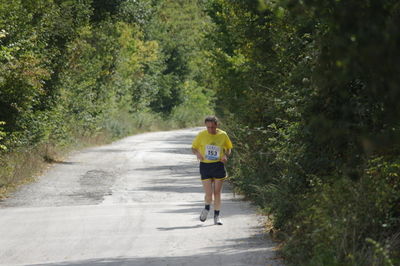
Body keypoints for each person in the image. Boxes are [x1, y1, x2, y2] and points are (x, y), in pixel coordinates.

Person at [191, 116, 233, 225]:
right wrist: (198, 153)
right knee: (209, 194)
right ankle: (206, 208)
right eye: (208, 127)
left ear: (217, 125)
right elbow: (193, 148)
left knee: (217, 193)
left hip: (218, 165)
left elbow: (229, 148)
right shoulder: (201, 134)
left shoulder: (223, 135)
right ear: (206, 126)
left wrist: (225, 155)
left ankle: (217, 216)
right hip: (205, 166)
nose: (210, 130)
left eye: (213, 127)